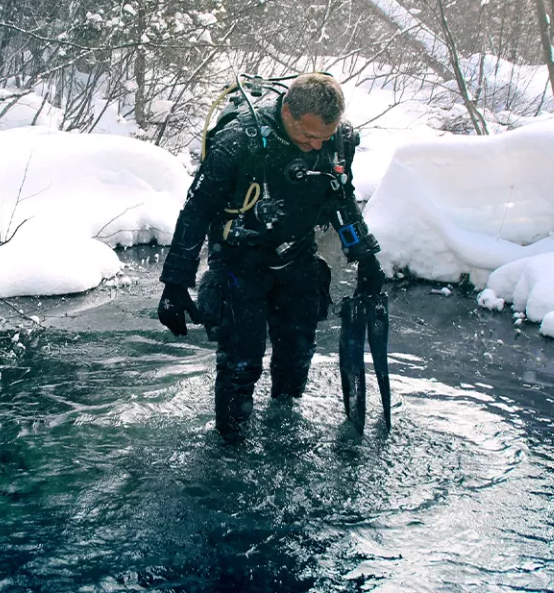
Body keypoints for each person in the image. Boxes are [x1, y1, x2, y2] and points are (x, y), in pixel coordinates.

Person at [157, 73, 384, 441]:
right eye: (308, 136)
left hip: (297, 259)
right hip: (238, 262)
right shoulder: (239, 141)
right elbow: (196, 211)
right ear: (288, 112)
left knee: (297, 354)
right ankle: (229, 450)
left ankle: (283, 430)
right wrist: (174, 284)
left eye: (322, 138)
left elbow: (340, 199)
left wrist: (366, 255)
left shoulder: (339, 142)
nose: (314, 147)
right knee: (241, 362)